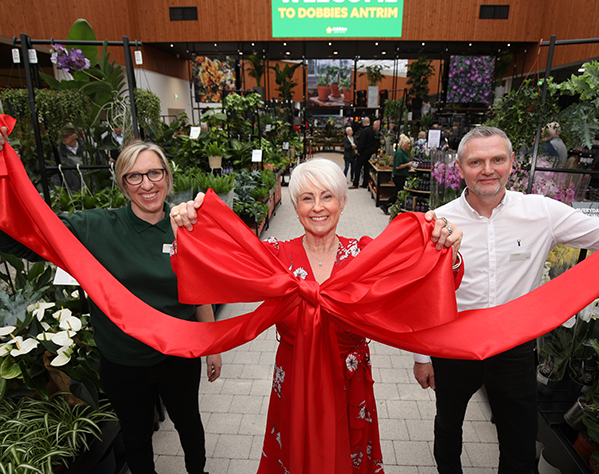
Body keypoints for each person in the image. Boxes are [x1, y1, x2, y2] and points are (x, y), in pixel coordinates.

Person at [170, 158, 463, 474]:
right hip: (296, 378)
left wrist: (449, 249)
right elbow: (214, 270)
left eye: (327, 196)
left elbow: (420, 284)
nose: (317, 207)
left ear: (343, 202)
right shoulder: (274, 257)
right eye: (307, 198)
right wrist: (187, 232)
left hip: (350, 383)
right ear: (295, 207)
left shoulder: (366, 256)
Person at [0, 126, 221, 474]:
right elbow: (18, 242)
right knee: (136, 436)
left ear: (167, 176)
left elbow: (199, 289)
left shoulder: (186, 226)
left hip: (178, 355)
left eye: (154, 173)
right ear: (122, 183)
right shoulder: (96, 227)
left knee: (189, 425)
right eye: (134, 176)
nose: (146, 184)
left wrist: (212, 344)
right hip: (123, 361)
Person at [412, 126, 599, 474]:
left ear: (512, 163)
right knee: (448, 424)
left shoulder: (541, 213)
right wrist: (422, 356)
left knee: (519, 438)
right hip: (455, 345)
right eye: (476, 161)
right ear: (460, 167)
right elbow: (422, 293)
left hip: (514, 347)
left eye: (497, 159)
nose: (487, 169)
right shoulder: (439, 221)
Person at [381, 134, 413, 215]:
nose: (409, 145)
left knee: (399, 193)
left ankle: (391, 207)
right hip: (399, 176)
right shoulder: (399, 153)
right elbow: (398, 166)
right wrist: (408, 165)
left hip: (402, 175)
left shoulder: (404, 152)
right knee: (398, 193)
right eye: (407, 143)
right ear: (403, 144)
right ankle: (386, 205)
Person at [350, 118, 380, 189]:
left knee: (357, 167)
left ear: (363, 122)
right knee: (366, 168)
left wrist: (359, 151)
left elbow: (361, 143)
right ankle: (365, 183)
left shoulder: (364, 131)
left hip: (363, 152)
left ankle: (356, 183)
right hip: (370, 152)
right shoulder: (372, 131)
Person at [55, 123, 85, 191]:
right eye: (61, 136)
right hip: (69, 191)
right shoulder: (57, 152)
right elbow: (55, 174)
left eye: (65, 136)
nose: (62, 138)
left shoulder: (87, 148)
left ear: (74, 135)